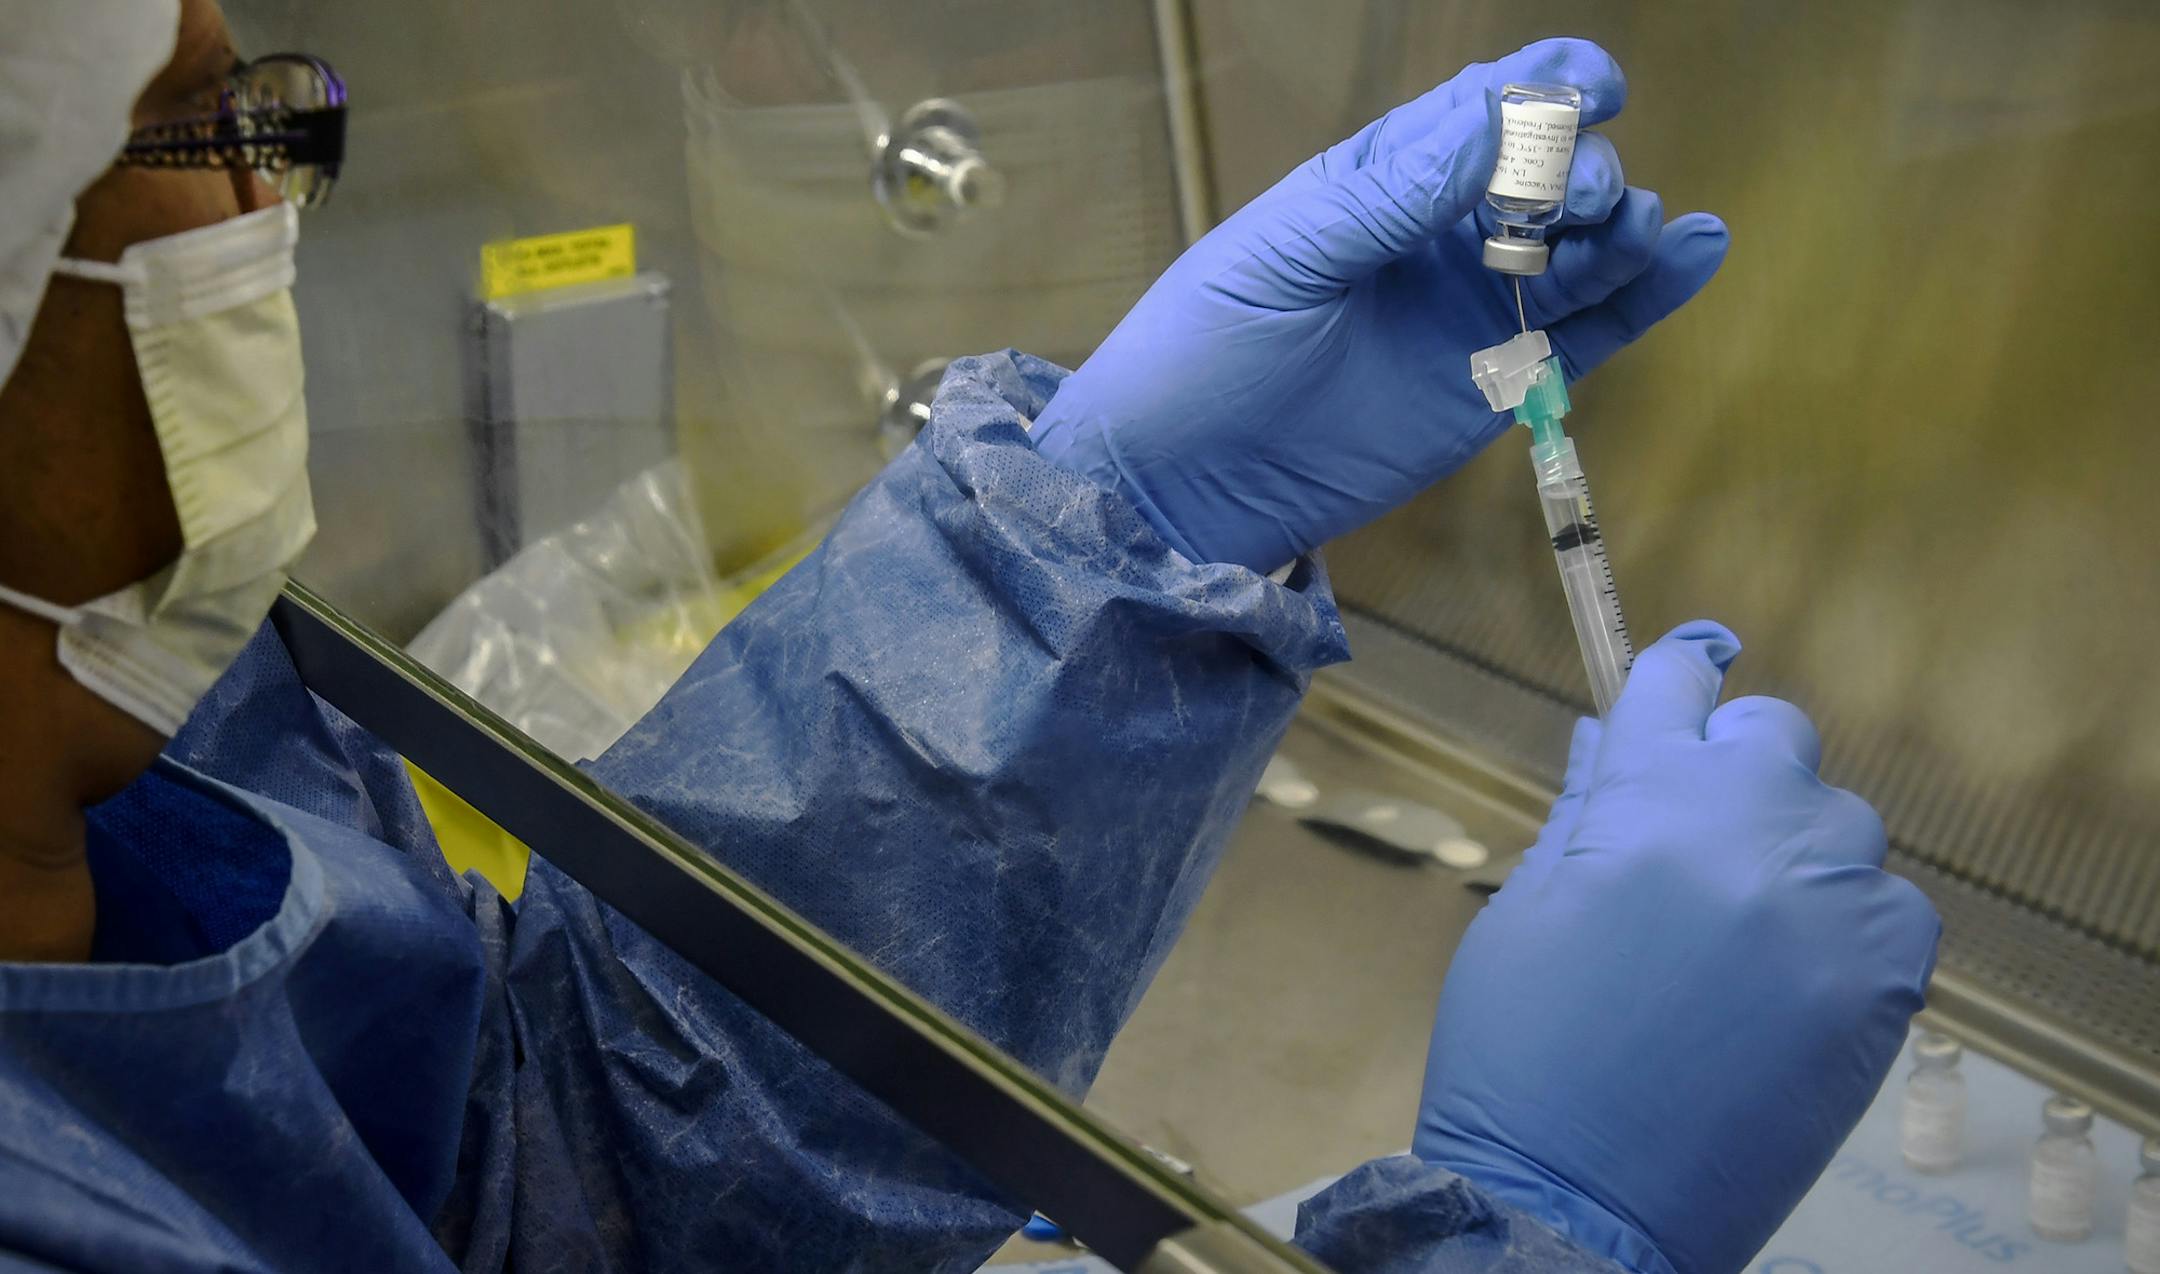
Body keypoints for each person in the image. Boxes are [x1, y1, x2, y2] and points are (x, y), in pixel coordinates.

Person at [0, 2, 1937, 1272]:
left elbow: (543, 1189)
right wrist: (1540, 1231)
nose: (266, 193)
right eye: (175, 138)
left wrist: (1101, 543)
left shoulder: (115, 750)